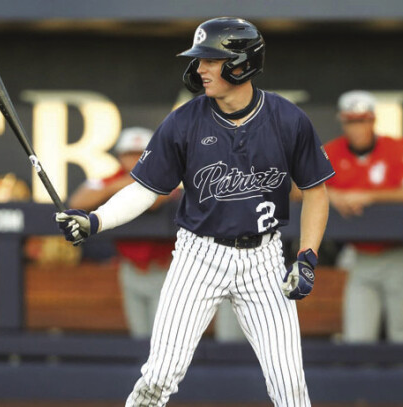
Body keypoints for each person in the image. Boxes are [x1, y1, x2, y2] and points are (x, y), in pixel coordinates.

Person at [55, 17, 334, 406]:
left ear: (241, 63)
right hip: (199, 256)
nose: (199, 68)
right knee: (159, 375)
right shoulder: (184, 121)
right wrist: (96, 219)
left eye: (210, 59)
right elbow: (145, 189)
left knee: (290, 386)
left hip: (264, 259)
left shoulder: (287, 119)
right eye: (200, 59)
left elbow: (316, 191)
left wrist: (307, 256)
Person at [324, 90, 403, 343]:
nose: (357, 127)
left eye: (362, 120)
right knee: (357, 339)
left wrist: (370, 195)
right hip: (360, 256)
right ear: (342, 121)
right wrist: (332, 195)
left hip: (400, 253)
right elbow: (297, 189)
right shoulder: (333, 151)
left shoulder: (396, 146)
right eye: (351, 120)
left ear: (372, 120)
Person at [68, 127, 176, 339]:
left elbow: (156, 199)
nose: (134, 159)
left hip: (164, 269)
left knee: (163, 339)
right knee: (139, 336)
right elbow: (78, 201)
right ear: (120, 156)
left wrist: (113, 189)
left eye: (140, 153)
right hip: (130, 269)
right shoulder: (110, 179)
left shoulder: (166, 174)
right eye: (129, 154)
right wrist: (113, 187)